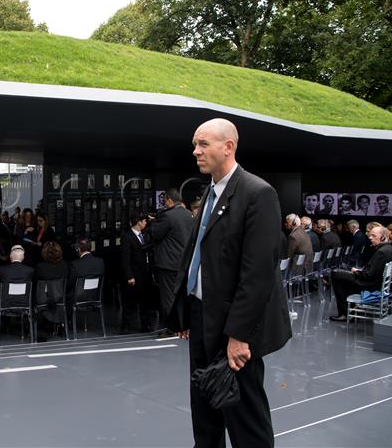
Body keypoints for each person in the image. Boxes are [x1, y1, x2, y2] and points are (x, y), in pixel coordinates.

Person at [170, 118, 291, 448]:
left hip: (234, 329)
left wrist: (239, 336)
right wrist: (186, 311)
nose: (195, 151)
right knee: (205, 412)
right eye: (195, 144)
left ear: (228, 147)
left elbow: (258, 275)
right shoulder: (209, 191)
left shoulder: (258, 194)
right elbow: (198, 255)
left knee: (244, 418)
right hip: (202, 318)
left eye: (203, 144)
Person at [329, 226, 392, 321]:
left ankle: (345, 314)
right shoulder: (391, 249)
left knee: (336, 274)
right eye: (370, 235)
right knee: (341, 274)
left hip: (371, 285)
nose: (370, 238)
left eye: (373, 236)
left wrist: (357, 272)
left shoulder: (382, 252)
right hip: (378, 283)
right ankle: (350, 311)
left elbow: (368, 275)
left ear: (382, 237)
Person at [150, 188, 193, 330]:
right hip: (184, 263)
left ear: (169, 199)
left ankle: (171, 328)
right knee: (181, 297)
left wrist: (153, 223)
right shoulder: (188, 214)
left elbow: (156, 234)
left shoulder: (167, 216)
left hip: (168, 264)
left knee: (168, 297)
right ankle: (183, 325)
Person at [120, 214, 155, 333]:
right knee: (129, 302)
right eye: (145, 221)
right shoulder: (127, 236)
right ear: (139, 222)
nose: (146, 224)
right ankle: (126, 326)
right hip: (134, 274)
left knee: (145, 301)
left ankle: (146, 325)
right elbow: (125, 259)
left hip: (145, 273)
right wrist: (129, 276)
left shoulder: (145, 235)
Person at [34, 241, 69, 329]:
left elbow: (35, 284)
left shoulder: (40, 267)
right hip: (61, 298)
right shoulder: (65, 265)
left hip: (44, 300)